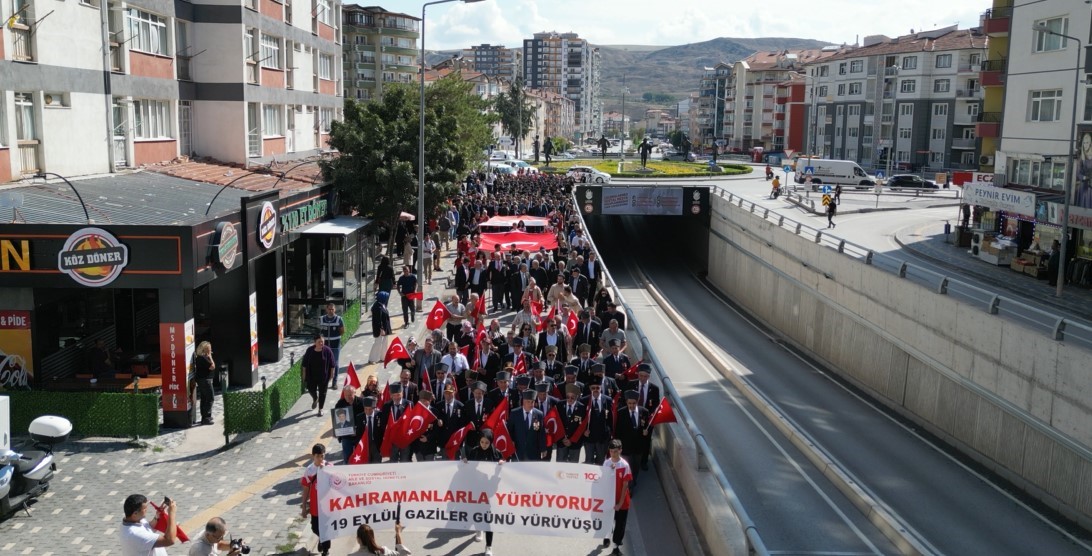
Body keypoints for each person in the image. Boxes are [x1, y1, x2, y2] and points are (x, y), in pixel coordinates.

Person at [462, 428, 504, 555]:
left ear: (491, 442)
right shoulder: (474, 451)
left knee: (488, 518)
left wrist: (502, 463)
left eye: (486, 443)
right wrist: (465, 462)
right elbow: (468, 468)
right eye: (482, 442)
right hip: (476, 489)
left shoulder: (496, 453)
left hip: (490, 491)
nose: (484, 445)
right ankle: (478, 529)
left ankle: (489, 546)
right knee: (476, 513)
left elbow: (502, 471)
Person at [601, 439, 633, 556]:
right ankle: (606, 536)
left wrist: (619, 504)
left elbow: (625, 486)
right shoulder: (606, 463)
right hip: (609, 499)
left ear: (620, 450)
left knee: (620, 525)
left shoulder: (625, 465)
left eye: (615, 451)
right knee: (608, 522)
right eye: (611, 451)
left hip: (622, 502)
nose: (613, 454)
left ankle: (616, 547)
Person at [300, 444, 333, 556]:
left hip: (327, 506)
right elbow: (305, 489)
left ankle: (325, 550)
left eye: (322, 456)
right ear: (313, 456)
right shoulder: (309, 470)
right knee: (315, 528)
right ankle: (321, 539)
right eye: (318, 456)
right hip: (315, 507)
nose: (320, 459)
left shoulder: (329, 467)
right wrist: (304, 507)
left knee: (326, 529)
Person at [302, 335, 336, 417]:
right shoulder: (310, 350)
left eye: (322, 342)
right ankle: (315, 398)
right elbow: (304, 364)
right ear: (315, 342)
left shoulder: (327, 351)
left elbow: (332, 364)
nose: (321, 343)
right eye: (319, 342)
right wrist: (304, 375)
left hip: (323, 377)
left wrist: (332, 375)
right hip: (311, 376)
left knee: (323, 393)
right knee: (310, 389)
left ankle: (320, 409)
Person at [319, 303, 345, 388]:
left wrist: (335, 336)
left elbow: (342, 331)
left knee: (335, 363)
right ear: (326, 309)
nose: (331, 311)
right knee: (324, 363)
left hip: (335, 344)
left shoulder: (339, 319)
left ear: (335, 310)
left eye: (332, 309)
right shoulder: (322, 319)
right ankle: (325, 381)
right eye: (329, 309)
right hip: (325, 345)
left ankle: (335, 382)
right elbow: (319, 331)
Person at [347, 522, 412, 556]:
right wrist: (398, 533)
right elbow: (403, 554)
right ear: (372, 537)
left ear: (358, 539)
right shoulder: (383, 552)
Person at [194, 341, 215, 425]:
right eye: (209, 348)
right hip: (205, 380)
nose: (210, 350)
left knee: (204, 398)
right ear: (205, 349)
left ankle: (204, 416)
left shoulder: (199, 357)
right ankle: (206, 417)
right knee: (210, 398)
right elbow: (212, 366)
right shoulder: (203, 358)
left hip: (202, 379)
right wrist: (210, 357)